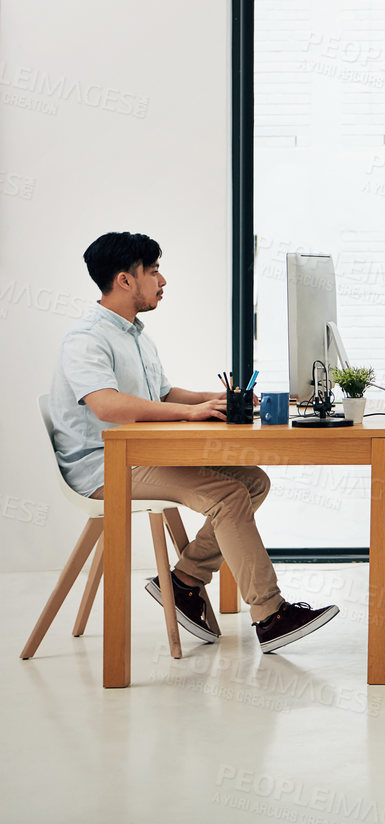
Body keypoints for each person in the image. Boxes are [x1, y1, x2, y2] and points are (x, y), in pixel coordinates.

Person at [48, 232, 339, 654]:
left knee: (252, 481)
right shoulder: (87, 337)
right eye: (153, 271)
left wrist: (215, 399)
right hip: (106, 465)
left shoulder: (135, 334)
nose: (162, 280)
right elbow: (107, 406)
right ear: (125, 280)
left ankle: (183, 582)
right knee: (225, 494)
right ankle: (271, 615)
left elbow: (163, 395)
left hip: (142, 453)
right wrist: (190, 413)